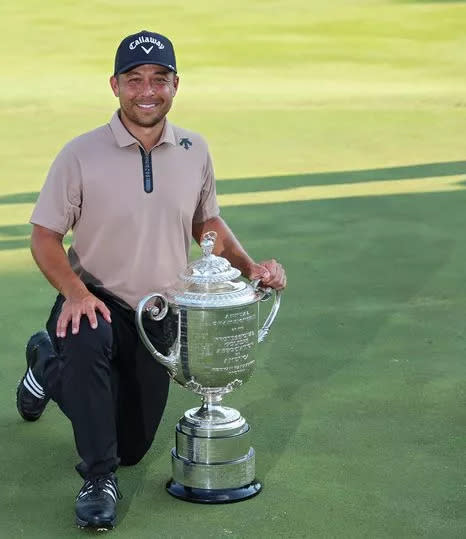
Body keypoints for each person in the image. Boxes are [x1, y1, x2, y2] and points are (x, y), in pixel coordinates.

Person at [16, 30, 287, 531]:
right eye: (134, 79)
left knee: (133, 447)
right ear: (115, 85)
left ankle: (42, 365)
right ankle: (97, 482)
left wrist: (252, 269)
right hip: (92, 297)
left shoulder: (194, 149)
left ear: (175, 85)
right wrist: (74, 293)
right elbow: (44, 238)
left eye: (158, 79)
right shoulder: (80, 154)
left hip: (160, 314)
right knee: (92, 373)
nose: (147, 90)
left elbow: (205, 225)